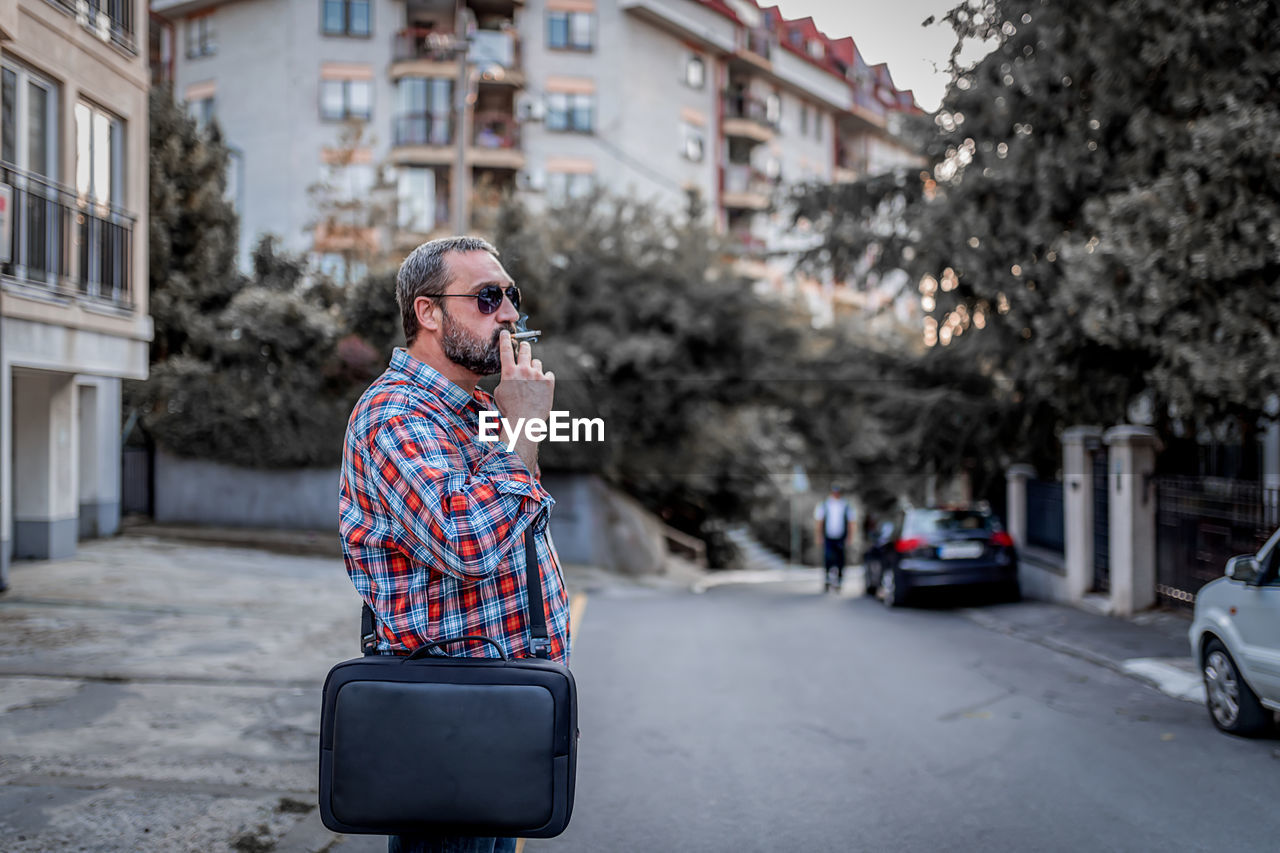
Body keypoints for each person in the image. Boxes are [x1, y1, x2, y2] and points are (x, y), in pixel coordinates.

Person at [338, 236, 571, 853]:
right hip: (449, 711)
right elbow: (466, 544)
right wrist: (523, 430)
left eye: (511, 297)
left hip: (501, 702)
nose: (510, 315)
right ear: (428, 313)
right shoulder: (393, 414)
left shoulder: (472, 413)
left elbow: (513, 530)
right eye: (487, 298)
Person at [813, 485, 855, 593]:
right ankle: (827, 579)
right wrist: (819, 536)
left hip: (841, 537)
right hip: (828, 536)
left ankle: (839, 581)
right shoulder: (824, 505)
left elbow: (851, 523)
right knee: (828, 558)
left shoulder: (845, 505)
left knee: (840, 559)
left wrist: (850, 537)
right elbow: (819, 522)